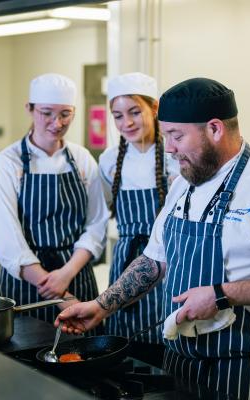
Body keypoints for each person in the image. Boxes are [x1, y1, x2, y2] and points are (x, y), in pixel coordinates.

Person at [56, 77, 250, 400]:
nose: (168, 147)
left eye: (176, 136)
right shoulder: (184, 183)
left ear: (215, 129)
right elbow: (154, 260)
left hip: (243, 369)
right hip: (180, 365)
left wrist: (221, 295)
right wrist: (101, 306)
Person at [0, 73, 109, 324]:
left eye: (65, 114)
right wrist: (60, 294)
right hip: (27, 286)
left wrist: (67, 273)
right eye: (46, 113)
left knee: (82, 359)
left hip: (77, 280)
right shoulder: (7, 163)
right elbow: (9, 243)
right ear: (29, 109)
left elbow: (97, 224)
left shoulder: (82, 159)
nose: (57, 122)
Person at [98, 72, 177, 348]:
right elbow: (108, 204)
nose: (126, 122)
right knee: (123, 341)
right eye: (118, 116)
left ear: (154, 108)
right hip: (125, 261)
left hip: (167, 260)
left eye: (134, 112)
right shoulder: (109, 161)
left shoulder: (176, 155)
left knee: (163, 338)